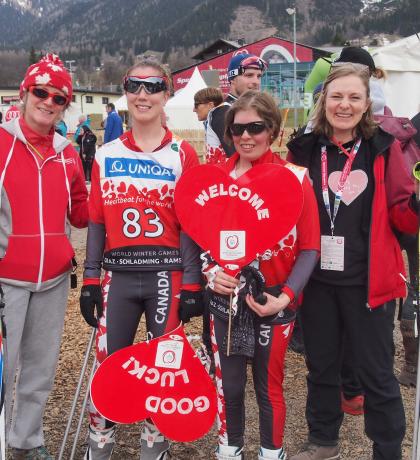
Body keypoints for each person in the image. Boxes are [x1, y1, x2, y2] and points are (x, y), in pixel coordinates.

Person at [287, 63, 418, 460]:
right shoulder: (304, 148)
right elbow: (285, 209)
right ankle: (323, 440)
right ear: (324, 99)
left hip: (369, 280)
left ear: (367, 104)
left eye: (354, 97)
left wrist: (416, 205)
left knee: (376, 372)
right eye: (337, 96)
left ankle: (387, 448)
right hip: (318, 280)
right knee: (322, 367)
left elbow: (401, 214)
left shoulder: (383, 147)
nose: (344, 105)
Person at [80, 59, 203, 460]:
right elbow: (96, 221)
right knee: (109, 362)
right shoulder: (105, 154)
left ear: (167, 94)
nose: (143, 94)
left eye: (153, 87)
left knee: (162, 365)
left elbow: (190, 226)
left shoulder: (183, 153)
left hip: (166, 275)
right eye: (135, 86)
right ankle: (101, 438)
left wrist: (192, 283)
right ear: (126, 91)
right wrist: (91, 278)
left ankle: (155, 439)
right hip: (119, 275)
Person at [205, 91, 320, 460]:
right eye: (238, 128)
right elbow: (198, 235)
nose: (247, 136)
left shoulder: (296, 177)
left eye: (257, 127)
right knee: (230, 384)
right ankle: (229, 448)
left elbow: (310, 247)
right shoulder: (217, 177)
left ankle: (272, 452)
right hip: (226, 298)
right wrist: (210, 272)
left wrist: (286, 297)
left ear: (272, 130)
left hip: (274, 299)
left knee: (268, 385)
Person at [0, 53, 88, 459]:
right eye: (41, 92)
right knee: (3, 371)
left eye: (58, 98)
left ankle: (25, 443)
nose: (48, 102)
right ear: (24, 93)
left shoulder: (68, 152)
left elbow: (83, 211)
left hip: (52, 279)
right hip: (6, 281)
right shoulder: (1, 144)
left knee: (38, 372)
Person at [205, 53, 267, 165]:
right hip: (225, 180)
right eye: (249, 75)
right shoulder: (223, 111)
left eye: (258, 76)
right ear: (232, 79)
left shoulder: (246, 110)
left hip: (243, 179)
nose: (256, 82)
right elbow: (239, 158)